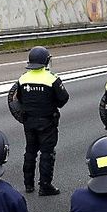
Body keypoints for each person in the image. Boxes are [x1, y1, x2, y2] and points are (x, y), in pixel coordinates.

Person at [14, 46, 69, 195]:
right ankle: (45, 186)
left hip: (29, 122)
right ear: (46, 61)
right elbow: (63, 98)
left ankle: (28, 184)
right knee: (47, 153)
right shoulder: (52, 78)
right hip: (47, 122)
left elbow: (17, 99)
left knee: (30, 152)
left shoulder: (23, 78)